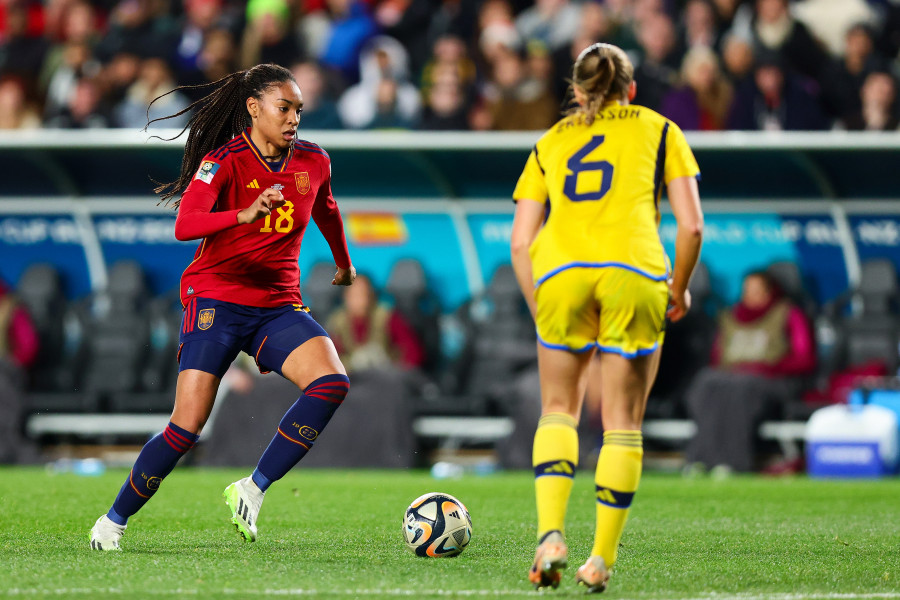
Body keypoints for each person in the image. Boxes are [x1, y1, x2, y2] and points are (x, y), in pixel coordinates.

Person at [89, 63, 356, 551]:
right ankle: (112, 522)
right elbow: (186, 224)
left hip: (276, 302)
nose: (294, 117)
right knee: (187, 426)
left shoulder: (314, 160)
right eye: (284, 107)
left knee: (331, 383)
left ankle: (251, 489)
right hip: (215, 295)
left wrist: (343, 262)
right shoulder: (224, 161)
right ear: (254, 109)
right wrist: (243, 214)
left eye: (298, 108)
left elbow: (328, 209)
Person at [510, 42, 703, 592]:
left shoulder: (550, 141)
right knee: (621, 422)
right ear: (631, 89)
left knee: (559, 410)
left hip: (562, 274)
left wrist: (540, 303)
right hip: (634, 271)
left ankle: (550, 536)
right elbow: (690, 227)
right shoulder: (660, 130)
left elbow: (521, 242)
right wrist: (680, 288)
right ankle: (599, 560)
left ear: (575, 90)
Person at [684, 270, 815, 475]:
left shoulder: (788, 313)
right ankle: (700, 458)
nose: (751, 295)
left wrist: (766, 368)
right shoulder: (729, 316)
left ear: (770, 291)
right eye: (747, 290)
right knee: (706, 381)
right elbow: (717, 358)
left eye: (757, 290)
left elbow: (804, 358)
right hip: (732, 377)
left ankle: (732, 461)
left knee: (741, 386)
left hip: (773, 379)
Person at [327, 274, 425, 372]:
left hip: (385, 378)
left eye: (363, 293)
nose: (359, 299)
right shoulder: (337, 322)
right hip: (352, 381)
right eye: (353, 295)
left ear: (371, 295)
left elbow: (413, 354)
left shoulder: (387, 316)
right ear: (345, 297)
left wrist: (393, 368)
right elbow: (328, 359)